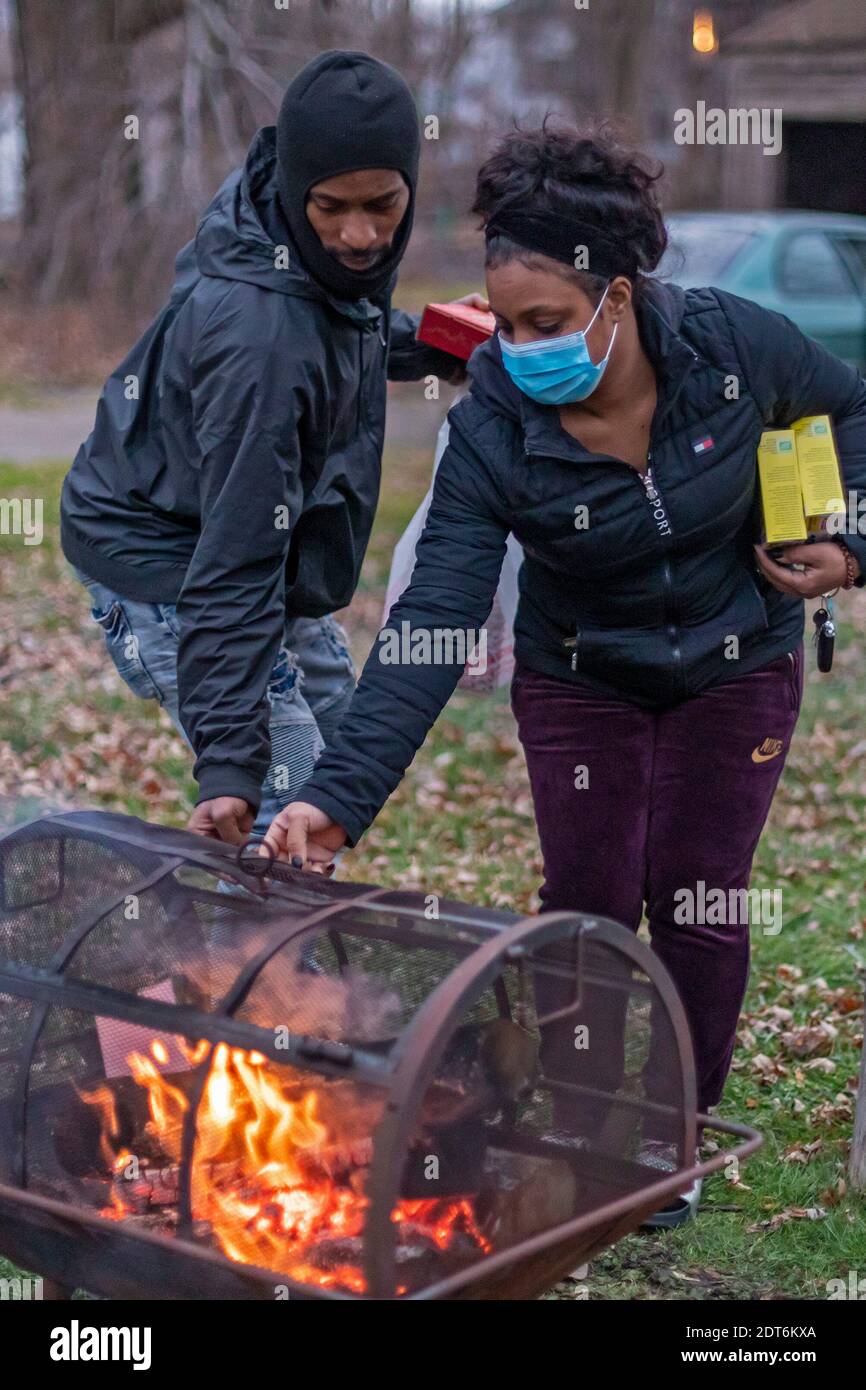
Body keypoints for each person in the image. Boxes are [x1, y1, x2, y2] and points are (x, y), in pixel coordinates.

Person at [263, 121, 866, 1219]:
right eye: (500, 321)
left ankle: (667, 1138)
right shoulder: (496, 413)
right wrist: (333, 798)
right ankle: (581, 1132)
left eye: (544, 322)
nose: (513, 345)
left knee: (697, 896)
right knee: (586, 899)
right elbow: (433, 618)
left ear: (619, 298)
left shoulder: (733, 349)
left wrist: (850, 542)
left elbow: (854, 405)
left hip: (737, 665)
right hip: (579, 675)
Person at [60, 50, 477, 845]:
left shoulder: (276, 234)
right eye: (333, 208)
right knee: (286, 808)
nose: (360, 235)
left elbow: (333, 331)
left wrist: (427, 342)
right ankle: (243, 964)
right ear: (295, 190)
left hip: (243, 544)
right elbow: (236, 555)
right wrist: (228, 765)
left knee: (341, 759)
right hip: (170, 560)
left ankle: (265, 945)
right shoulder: (259, 339)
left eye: (383, 205)